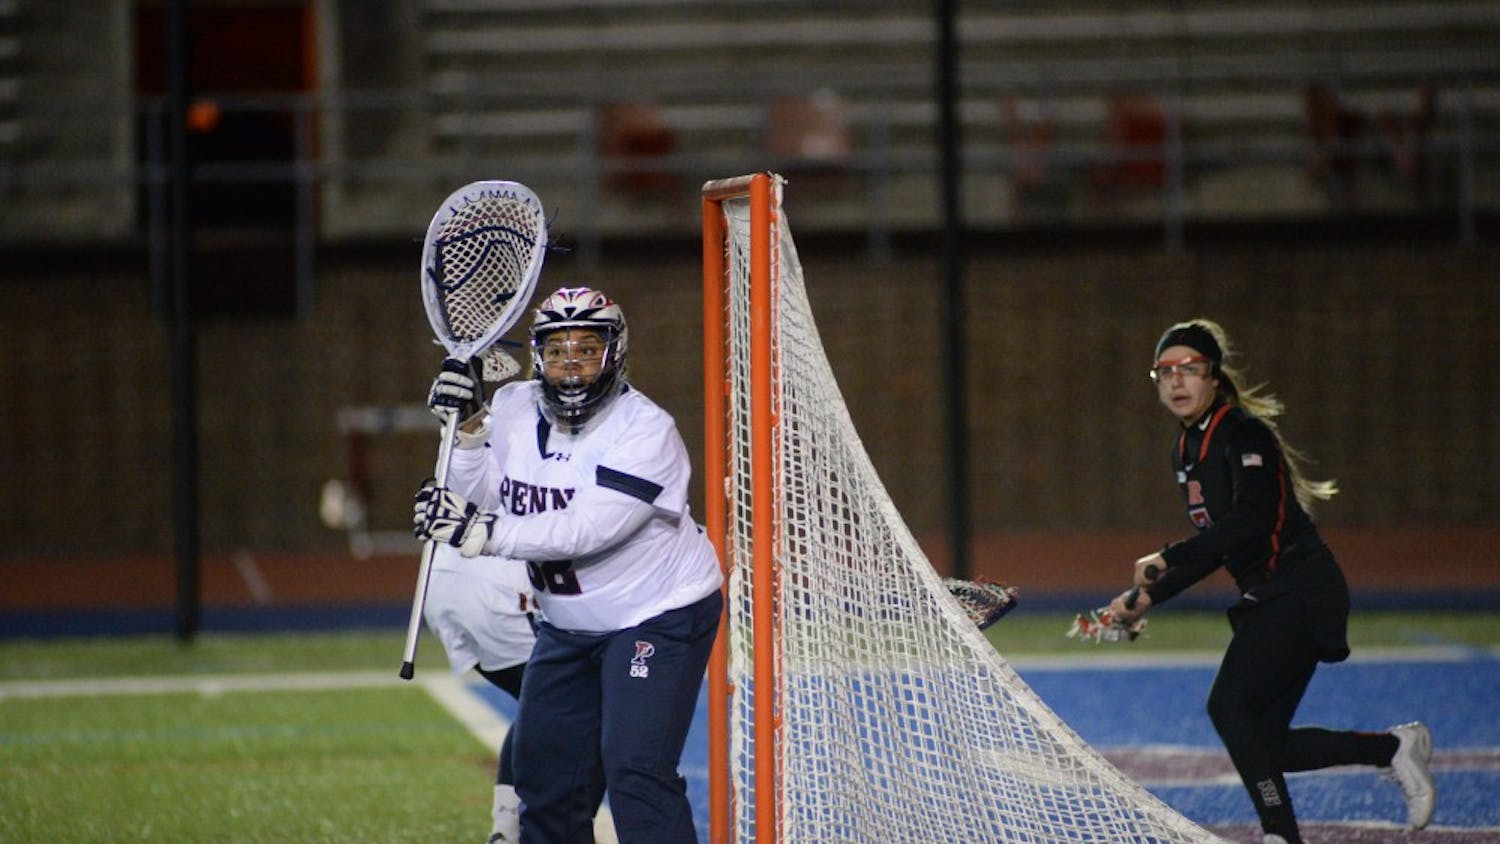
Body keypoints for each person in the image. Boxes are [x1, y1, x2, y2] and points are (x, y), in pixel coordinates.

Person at [415, 286, 724, 844]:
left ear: (614, 353)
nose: (572, 365)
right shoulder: (513, 406)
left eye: (586, 349)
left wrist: (482, 533)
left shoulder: (645, 429)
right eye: (558, 351)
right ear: (538, 357)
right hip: (565, 623)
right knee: (546, 782)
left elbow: (586, 530)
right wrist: (464, 430)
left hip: (654, 613)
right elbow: (483, 494)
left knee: (636, 771)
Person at [1108, 318, 1436, 844]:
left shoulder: (1243, 432)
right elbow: (1219, 543)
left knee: (1228, 706)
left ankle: (1279, 835)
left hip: (1301, 588)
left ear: (1214, 376)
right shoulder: (1186, 449)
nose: (1176, 380)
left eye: (1189, 368)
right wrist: (1150, 595)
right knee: (1265, 745)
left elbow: (1252, 520)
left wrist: (1167, 557)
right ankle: (1393, 749)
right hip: (1274, 595)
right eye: (1164, 372)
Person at [423, 543, 536, 843]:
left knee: (540, 704)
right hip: (500, 586)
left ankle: (506, 828)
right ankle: (532, 829)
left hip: (442, 581)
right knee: (567, 703)